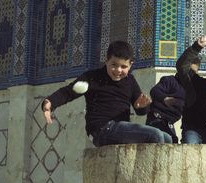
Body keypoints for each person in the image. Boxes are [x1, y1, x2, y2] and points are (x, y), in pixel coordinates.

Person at [42, 41, 172, 146]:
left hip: (120, 129)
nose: (118, 70)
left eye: (123, 67)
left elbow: (140, 111)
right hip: (101, 130)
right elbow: (68, 92)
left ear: (130, 65)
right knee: (156, 135)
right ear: (106, 61)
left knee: (167, 138)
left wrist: (142, 106)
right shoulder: (92, 77)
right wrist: (50, 103)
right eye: (114, 65)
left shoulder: (130, 81)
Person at [146, 54, 201, 143]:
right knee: (163, 139)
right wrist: (165, 99)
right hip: (157, 119)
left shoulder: (190, 90)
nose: (189, 75)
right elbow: (155, 91)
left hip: (169, 123)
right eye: (188, 71)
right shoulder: (170, 80)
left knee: (173, 141)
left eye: (193, 73)